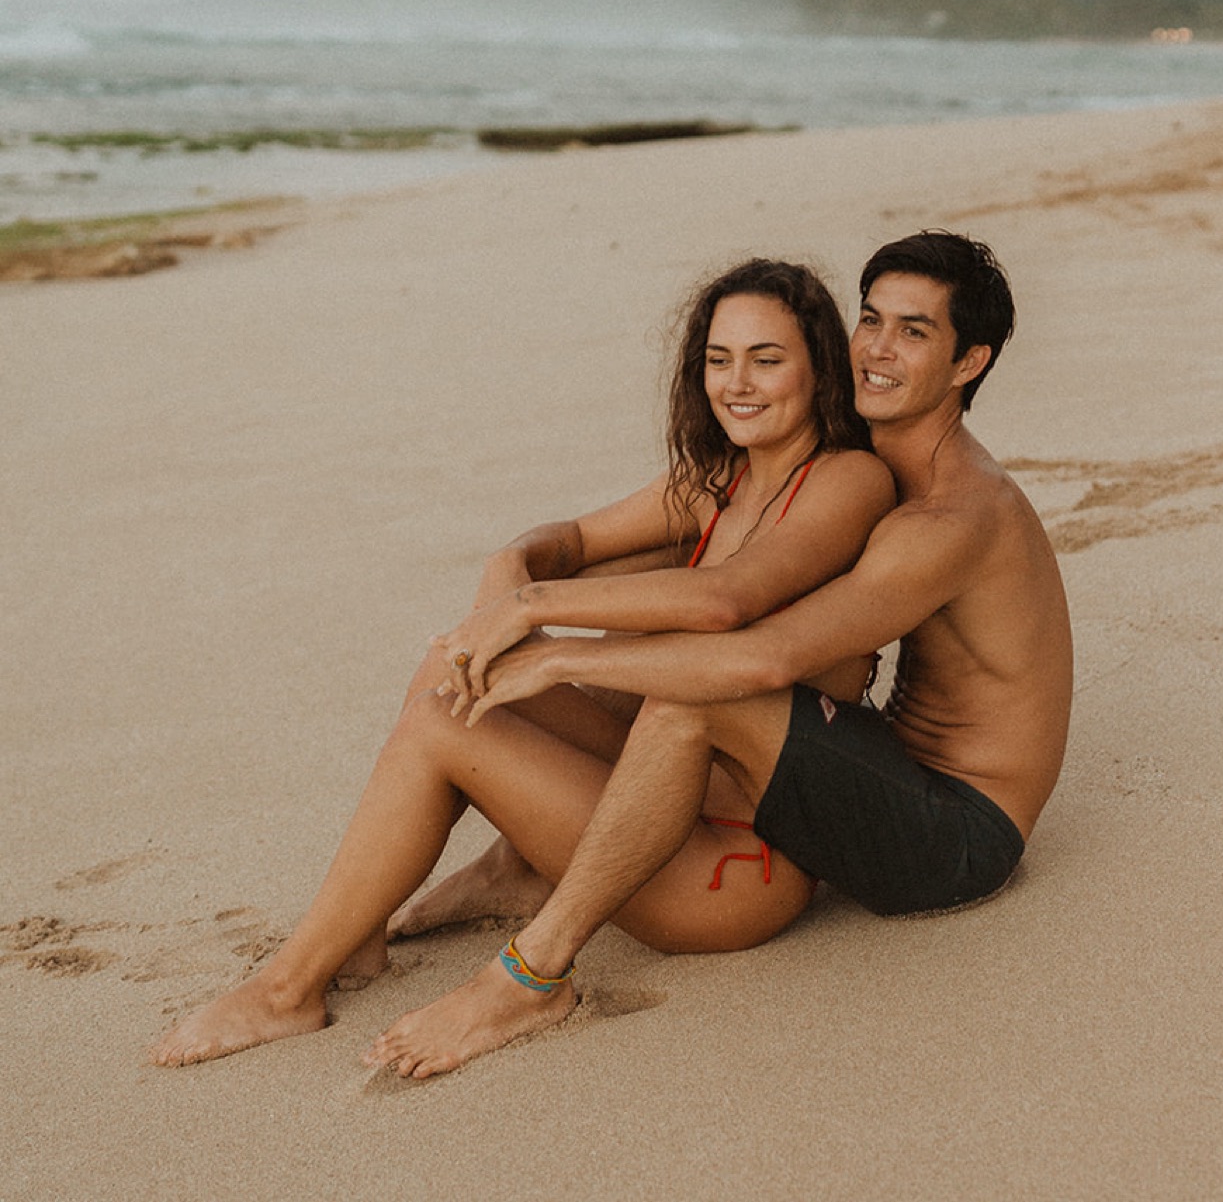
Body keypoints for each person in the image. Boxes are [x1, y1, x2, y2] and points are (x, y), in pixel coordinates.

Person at [355, 228, 1074, 1080]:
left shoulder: (948, 518)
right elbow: (690, 558)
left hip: (955, 832)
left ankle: (533, 973)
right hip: (887, 761)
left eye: (914, 332)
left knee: (699, 691)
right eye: (871, 319)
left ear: (969, 363)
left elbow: (764, 660)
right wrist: (526, 578)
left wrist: (555, 655)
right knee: (673, 587)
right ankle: (520, 858)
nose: (877, 350)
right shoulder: (872, 464)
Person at [152, 258, 894, 1066]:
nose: (737, 383)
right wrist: (512, 566)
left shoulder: (849, 481)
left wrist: (533, 610)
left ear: (819, 365)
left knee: (446, 720)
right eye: (719, 359)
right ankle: (366, 932)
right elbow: (569, 540)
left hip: (740, 867)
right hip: (657, 794)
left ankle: (288, 989)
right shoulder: (721, 476)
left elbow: (727, 600)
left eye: (766, 358)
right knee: (451, 665)